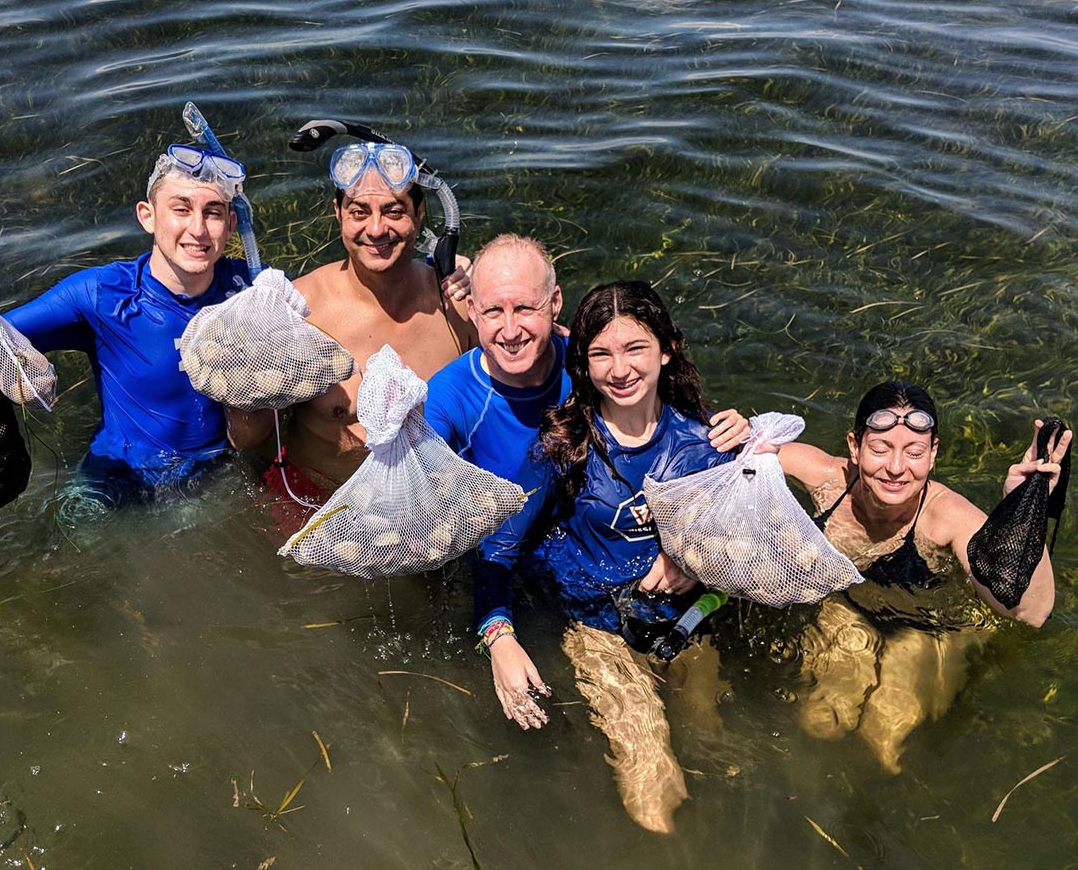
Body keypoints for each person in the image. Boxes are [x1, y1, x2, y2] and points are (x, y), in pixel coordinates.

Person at [472, 279, 742, 834]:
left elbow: (752, 544)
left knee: (715, 741)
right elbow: (497, 546)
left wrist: (695, 562)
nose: (619, 368)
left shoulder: (706, 443)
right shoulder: (562, 446)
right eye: (601, 353)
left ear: (666, 350)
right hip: (596, 629)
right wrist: (500, 638)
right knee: (654, 781)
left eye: (635, 348)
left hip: (691, 620)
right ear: (583, 363)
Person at [0, 143, 255, 503]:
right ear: (147, 216)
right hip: (119, 480)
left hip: (221, 471)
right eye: (181, 209)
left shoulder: (255, 290)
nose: (197, 229)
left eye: (212, 213)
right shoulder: (101, 296)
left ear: (230, 225)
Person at [775, 381, 1072, 773]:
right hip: (849, 613)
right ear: (854, 445)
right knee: (820, 723)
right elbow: (728, 450)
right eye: (880, 450)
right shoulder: (828, 481)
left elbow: (1030, 611)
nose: (896, 468)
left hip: (930, 630)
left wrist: (1022, 510)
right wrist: (733, 431)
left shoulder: (945, 517)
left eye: (913, 453)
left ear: (932, 455)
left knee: (883, 741)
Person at [425, 233, 747, 592]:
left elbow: (669, 413)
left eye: (526, 309)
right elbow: (415, 493)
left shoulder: (593, 361)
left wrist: (740, 434)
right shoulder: (449, 397)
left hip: (592, 543)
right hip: (506, 556)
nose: (512, 330)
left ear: (554, 304)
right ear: (472, 310)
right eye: (493, 311)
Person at [224, 140, 475, 524]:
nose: (376, 229)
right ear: (338, 212)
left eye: (394, 211)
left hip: (428, 511)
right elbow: (248, 440)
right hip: (316, 506)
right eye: (359, 211)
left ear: (420, 214)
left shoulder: (456, 305)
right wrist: (240, 372)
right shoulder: (300, 310)